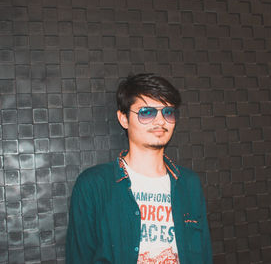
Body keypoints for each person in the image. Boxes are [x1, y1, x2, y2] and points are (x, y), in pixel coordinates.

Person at [66, 73, 212, 263]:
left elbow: (204, 255)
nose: (160, 121)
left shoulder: (189, 183)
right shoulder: (94, 185)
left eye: (168, 112)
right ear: (124, 119)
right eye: (146, 112)